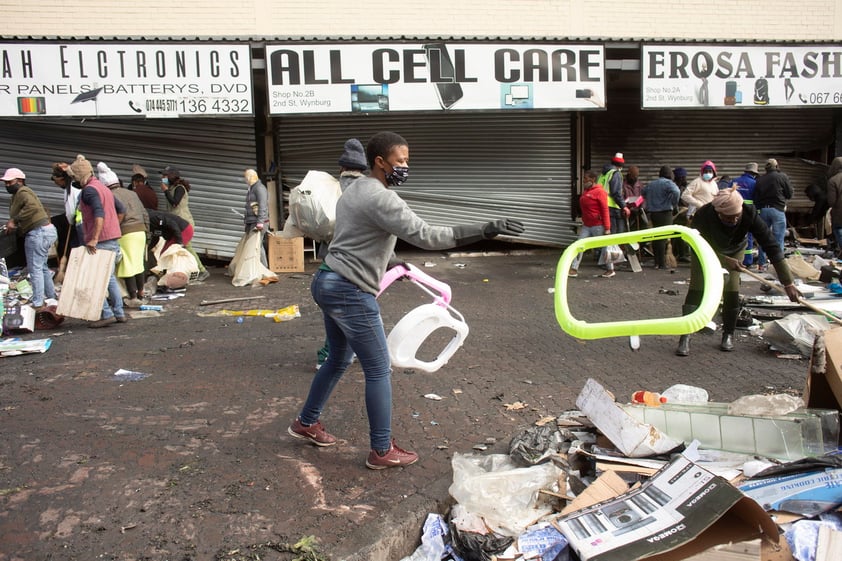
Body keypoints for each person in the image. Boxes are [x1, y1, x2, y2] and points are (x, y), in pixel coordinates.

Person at [288, 131, 524, 470]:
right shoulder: (383, 198)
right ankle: (381, 450)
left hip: (327, 280)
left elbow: (358, 235)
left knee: (338, 359)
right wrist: (485, 228)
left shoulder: (353, 191)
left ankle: (306, 422)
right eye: (400, 161)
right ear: (380, 162)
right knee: (378, 368)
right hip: (350, 290)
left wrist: (391, 259)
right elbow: (428, 236)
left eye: (407, 160)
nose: (405, 166)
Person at [675, 187, 800, 356]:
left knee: (731, 289)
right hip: (705, 249)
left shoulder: (749, 214)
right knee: (698, 288)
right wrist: (723, 260)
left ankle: (728, 334)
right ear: (718, 212)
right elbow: (694, 243)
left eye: (736, 216)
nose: (733, 220)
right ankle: (686, 335)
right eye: (728, 217)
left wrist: (788, 282)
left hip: (735, 250)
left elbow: (771, 245)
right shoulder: (704, 214)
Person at [316, 138, 369, 368]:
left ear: (342, 167)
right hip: (357, 261)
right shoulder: (367, 188)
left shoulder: (331, 187)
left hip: (330, 258)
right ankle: (329, 355)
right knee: (350, 311)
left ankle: (339, 352)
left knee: (337, 311)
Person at [68, 155, 128, 328]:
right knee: (108, 278)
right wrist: (113, 226)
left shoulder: (89, 190)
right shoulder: (103, 187)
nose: (73, 180)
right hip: (111, 238)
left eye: (74, 177)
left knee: (95, 278)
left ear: (81, 176)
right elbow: (121, 209)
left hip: (100, 240)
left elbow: (99, 213)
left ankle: (106, 314)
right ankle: (119, 313)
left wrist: (94, 238)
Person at [2, 167, 58, 309]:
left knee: (35, 268)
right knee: (42, 267)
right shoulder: (18, 194)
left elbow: (32, 207)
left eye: (10, 182)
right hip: (44, 231)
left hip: (38, 232)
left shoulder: (23, 191)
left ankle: (38, 302)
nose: (7, 185)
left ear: (20, 181)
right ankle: (51, 297)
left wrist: (15, 220)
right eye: (6, 183)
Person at [97, 162, 149, 308]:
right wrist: (147, 232)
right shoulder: (132, 193)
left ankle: (132, 296)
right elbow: (144, 213)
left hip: (126, 233)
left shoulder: (108, 196)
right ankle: (141, 292)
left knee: (128, 265)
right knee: (138, 263)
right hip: (140, 232)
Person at [159, 165, 209, 281]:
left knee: (187, 246)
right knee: (179, 246)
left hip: (184, 223)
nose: (163, 178)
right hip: (176, 222)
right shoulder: (172, 188)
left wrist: (165, 190)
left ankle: (202, 270)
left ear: (172, 176)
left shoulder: (179, 188)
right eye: (162, 176)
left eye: (165, 176)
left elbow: (175, 203)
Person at [568, 169, 610, 277]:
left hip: (598, 225)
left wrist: (607, 228)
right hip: (587, 225)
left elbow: (605, 210)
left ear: (592, 179)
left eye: (585, 178)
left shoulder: (600, 192)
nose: (583, 181)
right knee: (578, 245)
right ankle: (574, 268)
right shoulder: (587, 191)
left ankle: (610, 269)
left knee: (604, 247)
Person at [753, 158, 794, 271]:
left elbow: (756, 197)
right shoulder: (782, 176)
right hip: (778, 210)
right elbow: (789, 193)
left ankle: (762, 264)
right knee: (778, 239)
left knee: (763, 238)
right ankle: (779, 266)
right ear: (776, 166)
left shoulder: (760, 179)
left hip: (763, 211)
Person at [596, 152, 630, 277]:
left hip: (602, 206)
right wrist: (624, 206)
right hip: (612, 208)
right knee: (612, 236)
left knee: (606, 234)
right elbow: (616, 193)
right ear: (620, 165)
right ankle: (609, 262)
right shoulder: (615, 174)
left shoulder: (602, 174)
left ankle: (603, 260)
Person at [641, 166, 681, 269]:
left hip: (653, 213)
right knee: (663, 237)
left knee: (656, 237)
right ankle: (662, 264)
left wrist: (651, 201)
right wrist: (674, 203)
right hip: (665, 212)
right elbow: (676, 192)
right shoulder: (668, 183)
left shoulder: (651, 184)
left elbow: (643, 192)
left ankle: (656, 262)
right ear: (669, 174)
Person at [50, 162, 83, 251]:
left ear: (61, 179)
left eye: (56, 181)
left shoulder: (71, 188)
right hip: (83, 223)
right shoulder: (76, 185)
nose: (56, 184)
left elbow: (71, 212)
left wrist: (71, 222)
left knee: (77, 247)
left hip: (80, 224)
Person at [733, 162, 759, 266]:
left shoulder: (735, 181)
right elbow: (757, 198)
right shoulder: (754, 183)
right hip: (748, 212)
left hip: (734, 211)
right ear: (754, 173)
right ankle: (747, 261)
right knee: (748, 235)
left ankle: (735, 258)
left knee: (734, 234)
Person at [243, 168, 269, 266]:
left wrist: (260, 222)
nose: (245, 180)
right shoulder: (252, 188)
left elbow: (263, 205)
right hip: (251, 221)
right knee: (255, 246)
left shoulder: (259, 188)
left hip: (258, 222)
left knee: (256, 246)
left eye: (246, 177)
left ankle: (264, 268)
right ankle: (259, 268)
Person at [672, 167, 692, 263]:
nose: (685, 179)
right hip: (676, 214)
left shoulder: (685, 187)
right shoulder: (674, 187)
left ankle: (682, 254)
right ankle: (678, 253)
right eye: (683, 177)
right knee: (676, 235)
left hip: (683, 214)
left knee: (682, 235)